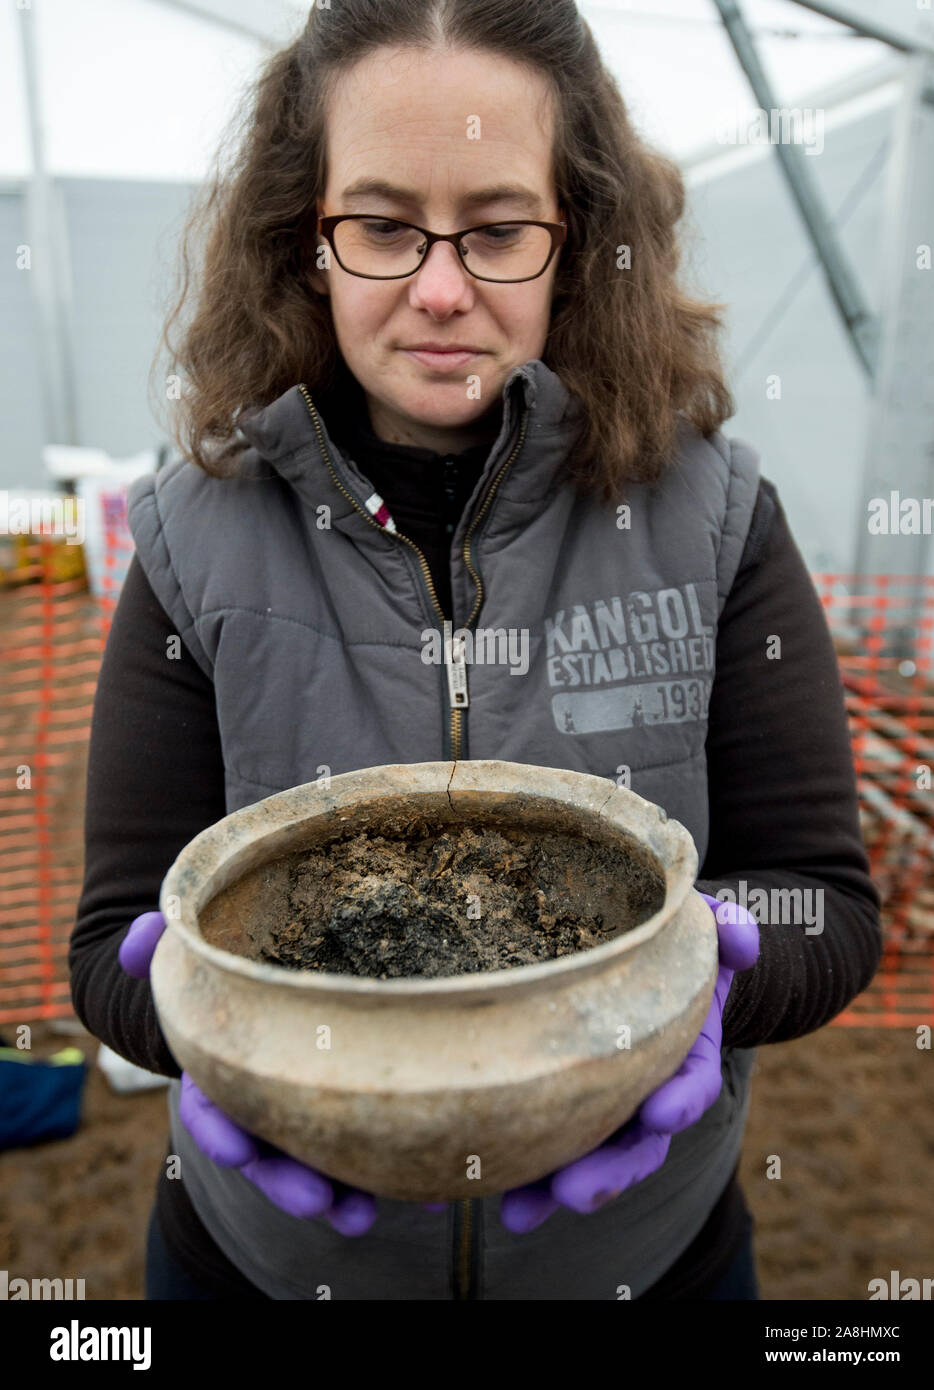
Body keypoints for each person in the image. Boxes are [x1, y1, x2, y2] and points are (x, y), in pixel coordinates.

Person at [69, 0, 882, 1301]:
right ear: (306, 239)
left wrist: (695, 989)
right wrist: (197, 1023)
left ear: (579, 242)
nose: (441, 289)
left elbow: (822, 903)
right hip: (268, 1271)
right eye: (383, 225)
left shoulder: (714, 519)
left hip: (640, 1267)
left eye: (499, 230)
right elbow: (115, 939)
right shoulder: (190, 536)